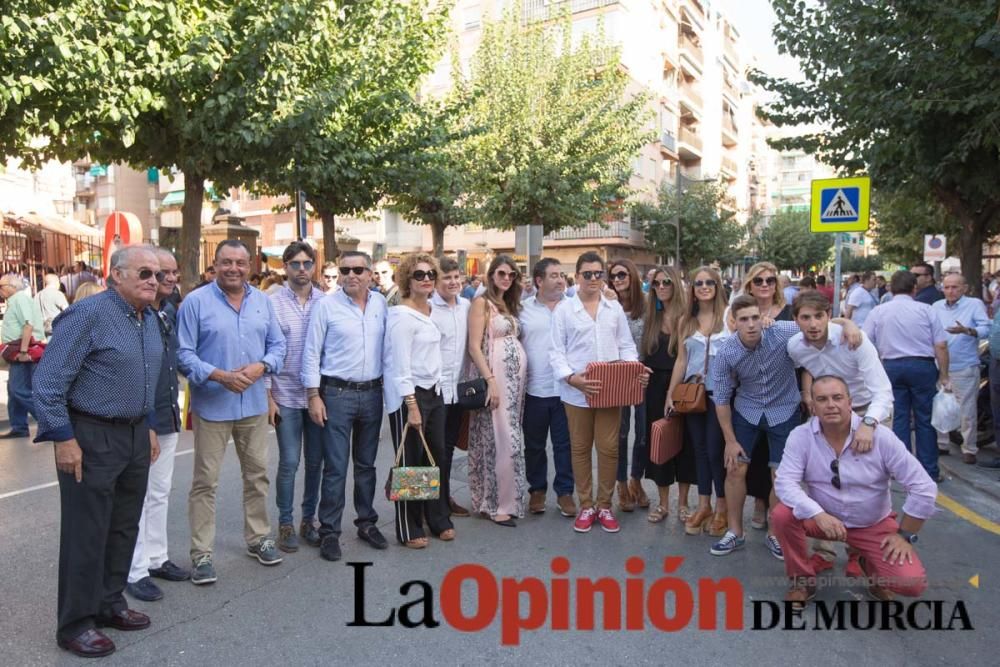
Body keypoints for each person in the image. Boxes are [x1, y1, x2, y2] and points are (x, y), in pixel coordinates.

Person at [33, 246, 163, 658]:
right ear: (116, 274)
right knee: (86, 532)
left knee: (123, 526)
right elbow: (48, 383)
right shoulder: (88, 314)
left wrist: (149, 426)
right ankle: (76, 624)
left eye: (158, 275)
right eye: (144, 272)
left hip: (134, 435)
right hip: (91, 435)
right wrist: (64, 438)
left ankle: (109, 603)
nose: (153, 281)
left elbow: (143, 379)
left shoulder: (149, 318)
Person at [710, 295, 863, 559]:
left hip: (785, 408)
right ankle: (735, 531)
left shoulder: (781, 331)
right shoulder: (726, 352)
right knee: (736, 469)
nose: (751, 325)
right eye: (744, 319)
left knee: (781, 476)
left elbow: (818, 324)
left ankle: (775, 533)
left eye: (755, 317)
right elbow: (721, 399)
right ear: (733, 323)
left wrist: (848, 324)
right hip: (748, 409)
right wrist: (730, 440)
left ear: (762, 317)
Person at [178, 240, 287, 584]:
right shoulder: (195, 303)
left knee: (257, 475)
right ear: (215, 264)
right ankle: (202, 554)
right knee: (205, 482)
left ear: (249, 265)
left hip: (253, 404)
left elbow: (278, 346)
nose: (234, 268)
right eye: (226, 262)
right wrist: (220, 376)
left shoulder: (263, 302)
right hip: (212, 404)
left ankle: (258, 538)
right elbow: (183, 354)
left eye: (240, 262)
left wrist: (261, 367)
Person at [772, 376, 936, 605]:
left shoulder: (881, 437)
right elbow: (784, 483)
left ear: (850, 402)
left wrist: (905, 536)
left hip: (872, 524)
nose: (831, 404)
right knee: (782, 514)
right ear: (813, 406)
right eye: (822, 399)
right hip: (824, 520)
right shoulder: (800, 436)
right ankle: (802, 579)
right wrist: (818, 514)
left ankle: (870, 565)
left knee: (911, 584)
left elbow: (924, 488)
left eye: (837, 397)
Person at [551, 251, 648, 534]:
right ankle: (586, 505)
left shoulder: (613, 308)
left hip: (609, 390)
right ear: (577, 277)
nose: (593, 279)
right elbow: (556, 352)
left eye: (598, 274)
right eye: (587, 274)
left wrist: (633, 369)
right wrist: (572, 378)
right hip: (576, 392)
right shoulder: (564, 310)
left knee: (609, 449)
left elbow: (626, 345)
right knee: (580, 449)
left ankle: (604, 505)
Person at [302, 251, 388, 561]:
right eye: (345, 269)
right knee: (336, 467)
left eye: (358, 270)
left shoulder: (380, 304)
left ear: (369, 274)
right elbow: (311, 353)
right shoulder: (326, 305)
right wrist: (313, 395)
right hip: (336, 394)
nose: (351, 275)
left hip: (372, 393)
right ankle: (329, 532)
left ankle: (366, 523)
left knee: (366, 465)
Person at [126, 249, 189, 602]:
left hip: (166, 414)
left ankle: (156, 557)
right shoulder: (136, 315)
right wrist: (146, 422)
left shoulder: (166, 314)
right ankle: (134, 571)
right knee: (138, 494)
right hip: (143, 421)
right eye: (156, 273)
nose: (166, 278)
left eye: (170, 272)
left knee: (160, 492)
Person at [383, 253, 454, 547]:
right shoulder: (401, 315)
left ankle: (436, 518)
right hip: (409, 396)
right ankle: (408, 526)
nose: (426, 279)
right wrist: (412, 406)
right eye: (419, 275)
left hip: (434, 392)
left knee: (434, 456)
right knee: (410, 462)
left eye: (430, 275)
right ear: (407, 280)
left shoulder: (430, 311)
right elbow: (400, 364)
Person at [863, 270, 949, 481]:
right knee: (925, 420)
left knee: (899, 418)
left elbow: (865, 341)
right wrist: (945, 374)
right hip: (922, 366)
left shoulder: (879, 311)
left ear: (891, 288)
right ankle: (929, 470)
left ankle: (899, 469)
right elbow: (941, 345)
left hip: (892, 366)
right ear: (914, 288)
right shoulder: (927, 310)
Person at [267, 242, 326, 552]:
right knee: (289, 462)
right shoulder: (272, 303)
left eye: (306, 263)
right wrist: (268, 396)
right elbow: (263, 348)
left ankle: (309, 520)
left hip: (317, 396)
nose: (301, 269)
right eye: (295, 263)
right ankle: (286, 522)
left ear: (313, 266)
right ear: (285, 267)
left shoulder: (326, 302)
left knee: (315, 463)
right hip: (285, 395)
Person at [665, 266, 729, 537]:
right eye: (698, 283)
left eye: (709, 283)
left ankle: (722, 508)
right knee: (700, 450)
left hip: (721, 394)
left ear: (717, 287)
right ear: (692, 289)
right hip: (692, 394)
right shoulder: (685, 321)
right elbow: (681, 360)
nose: (703, 287)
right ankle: (704, 505)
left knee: (716, 450)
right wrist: (670, 394)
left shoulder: (729, 317)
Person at [729, 261, 790, 535]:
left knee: (779, 462)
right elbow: (733, 347)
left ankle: (778, 524)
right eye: (759, 280)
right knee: (750, 457)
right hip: (750, 393)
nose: (765, 284)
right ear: (750, 285)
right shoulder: (740, 313)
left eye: (770, 280)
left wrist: (846, 323)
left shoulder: (789, 312)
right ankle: (759, 502)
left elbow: (821, 325)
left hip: (786, 393)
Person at [467, 254, 528, 526]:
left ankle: (505, 500)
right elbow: (473, 346)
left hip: (516, 383)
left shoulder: (510, 304)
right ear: (491, 275)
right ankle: (496, 504)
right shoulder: (482, 303)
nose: (506, 278)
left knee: (510, 435)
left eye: (511, 275)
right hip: (497, 380)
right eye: (502, 273)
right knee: (500, 438)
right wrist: (490, 380)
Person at [519, 258, 576, 517]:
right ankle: (537, 490)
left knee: (565, 445)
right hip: (535, 389)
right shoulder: (522, 310)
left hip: (567, 389)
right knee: (534, 446)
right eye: (554, 275)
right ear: (539, 281)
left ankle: (565, 493)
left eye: (561, 275)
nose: (560, 280)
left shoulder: (574, 308)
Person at [640, 265, 694, 523]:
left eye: (666, 283)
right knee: (660, 443)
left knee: (684, 445)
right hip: (654, 388)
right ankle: (663, 504)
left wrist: (671, 393)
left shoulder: (687, 316)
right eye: (657, 284)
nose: (661, 287)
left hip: (683, 387)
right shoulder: (651, 317)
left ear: (676, 285)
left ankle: (683, 504)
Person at [932, 273, 990, 464]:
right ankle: (942, 444)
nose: (950, 291)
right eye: (947, 287)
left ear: (964, 288)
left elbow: (986, 328)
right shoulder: (936, 307)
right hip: (939, 366)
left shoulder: (974, 304)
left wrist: (967, 330)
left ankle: (969, 448)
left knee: (967, 410)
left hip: (964, 365)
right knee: (941, 407)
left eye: (955, 287)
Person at [608, 258, 651, 513]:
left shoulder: (646, 304)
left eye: (622, 274)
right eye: (613, 276)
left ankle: (637, 479)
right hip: (617, 373)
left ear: (632, 276)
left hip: (643, 372)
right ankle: (621, 483)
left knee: (643, 431)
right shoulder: (608, 304)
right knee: (620, 432)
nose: (617, 280)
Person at [430, 257, 472, 518]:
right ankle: (416, 509)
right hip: (430, 392)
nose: (453, 282)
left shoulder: (467, 306)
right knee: (424, 451)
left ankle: (442, 500)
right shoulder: (428, 308)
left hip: (457, 391)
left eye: (456, 277)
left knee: (446, 449)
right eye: (447, 278)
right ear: (436, 281)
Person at [0, 274, 45, 439]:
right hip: (18, 351)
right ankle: (19, 426)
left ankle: (49, 422)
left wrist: (24, 351)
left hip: (23, 351)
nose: (1, 290)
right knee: (14, 391)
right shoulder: (16, 300)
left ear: (12, 286)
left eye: (1, 286)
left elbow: (28, 325)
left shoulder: (20, 299)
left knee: (19, 390)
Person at [35, 272, 69, 338]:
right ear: (57, 282)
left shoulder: (37, 295)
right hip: (56, 329)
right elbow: (67, 310)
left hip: (41, 330)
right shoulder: (57, 294)